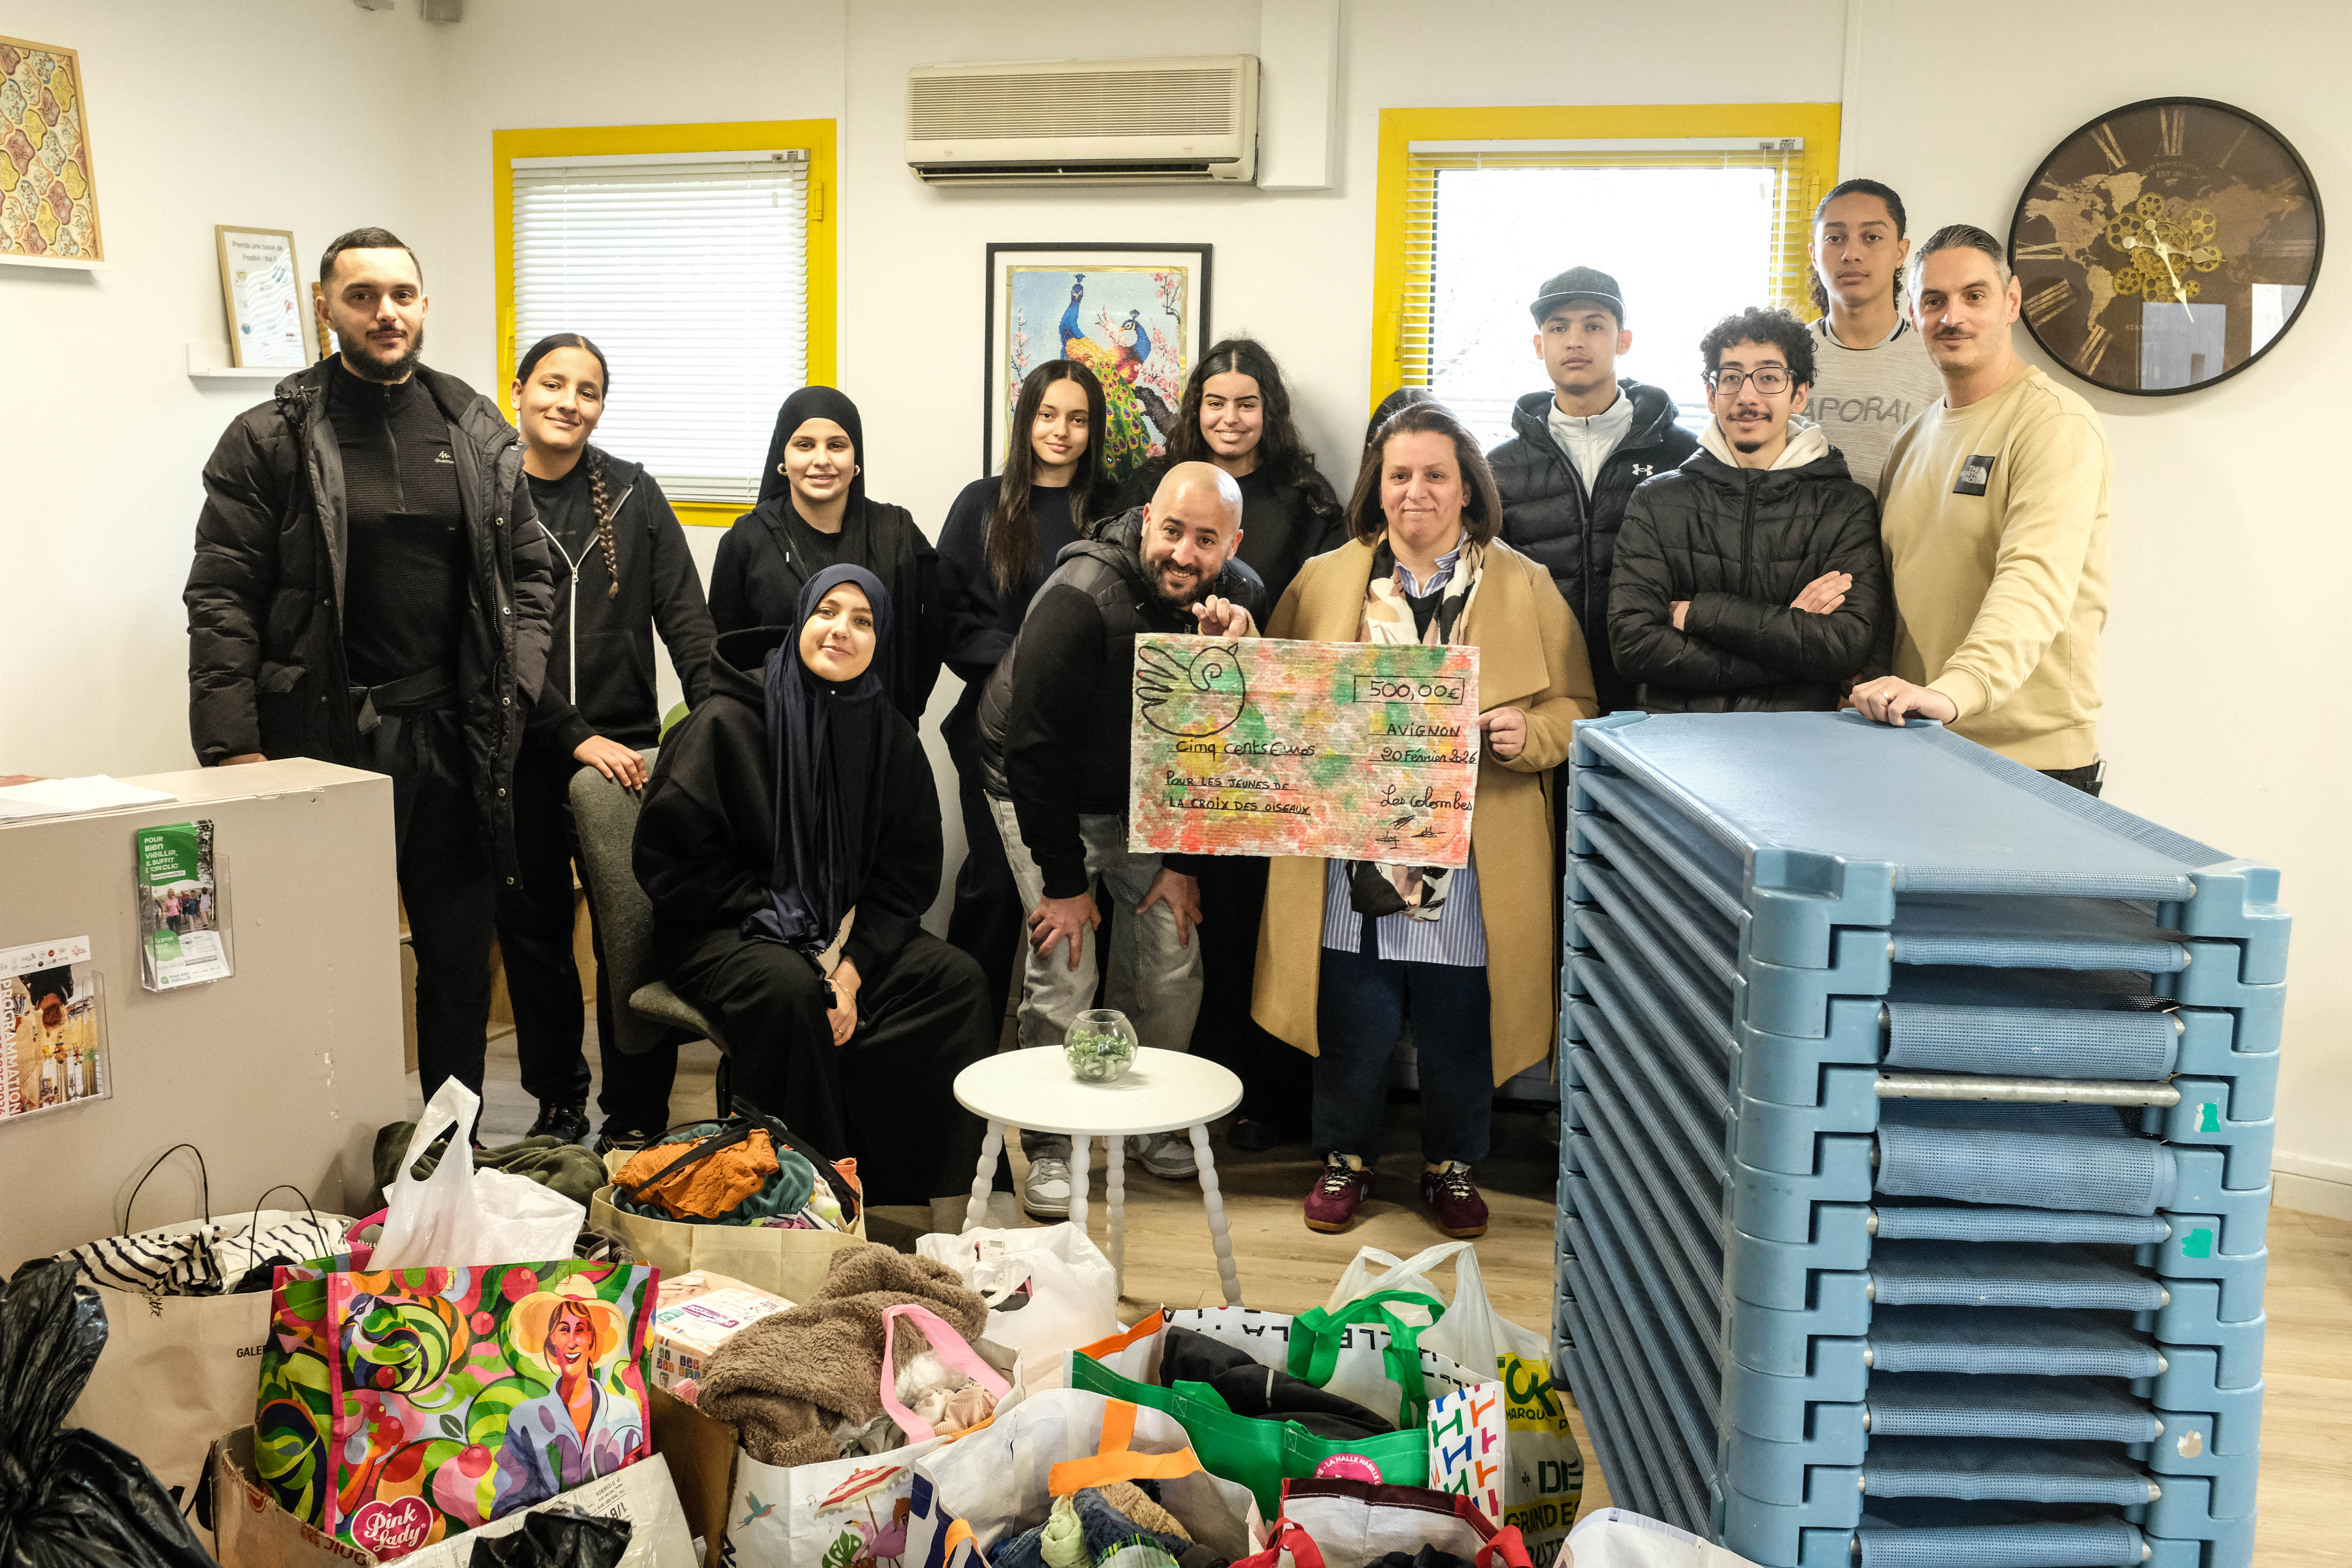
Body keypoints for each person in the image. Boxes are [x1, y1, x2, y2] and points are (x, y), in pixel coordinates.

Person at [185, 227, 553, 1103]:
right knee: (322, 965)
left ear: (424, 305)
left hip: (455, 745)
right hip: (322, 739)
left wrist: (514, 688)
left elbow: (531, 574)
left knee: (458, 964)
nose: (385, 313)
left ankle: (447, 1153)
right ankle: (330, 1148)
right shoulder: (270, 438)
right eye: (362, 296)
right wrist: (233, 749)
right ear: (325, 308)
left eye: (401, 295)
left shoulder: (475, 429)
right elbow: (223, 598)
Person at [1255, 402, 1598, 1239]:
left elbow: (1579, 707)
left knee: (1459, 1021)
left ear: (1468, 489)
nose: (1417, 491)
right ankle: (1346, 1157)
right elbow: (1271, 702)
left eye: (1436, 475)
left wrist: (1529, 733)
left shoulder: (1525, 583)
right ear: (1377, 487)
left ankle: (1453, 1164)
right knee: (1356, 1015)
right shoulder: (1324, 579)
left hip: (1475, 849)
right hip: (1351, 846)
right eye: (1400, 475)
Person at [633, 566, 994, 1207]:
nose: (841, 630)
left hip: (839, 931)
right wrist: (794, 937)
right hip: (724, 928)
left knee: (955, 981)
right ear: (802, 619)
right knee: (790, 989)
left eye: (863, 620)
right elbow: (671, 863)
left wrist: (849, 975)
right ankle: (805, 1196)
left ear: (880, 640)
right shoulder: (725, 720)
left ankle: (921, 1194)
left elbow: (903, 877)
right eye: (828, 612)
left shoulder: (890, 737)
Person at [979, 463, 1262, 1218]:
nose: (1184, 554)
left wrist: (1181, 863)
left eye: (1206, 541)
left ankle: (1151, 1121)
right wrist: (1066, 886)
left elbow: (1222, 749)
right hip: (1039, 787)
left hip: (1142, 795)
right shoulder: (1081, 598)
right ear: (1146, 519)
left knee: (1173, 950)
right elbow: (1033, 750)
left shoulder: (1233, 601)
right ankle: (1049, 1143)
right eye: (1172, 532)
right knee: (1067, 964)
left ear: (1233, 544)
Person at [1118, 339, 1346, 1150]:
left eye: (1247, 403)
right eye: (1215, 402)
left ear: (1269, 411)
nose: (1230, 417)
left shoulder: (1309, 501)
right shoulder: (1153, 486)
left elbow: (1319, 616)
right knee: (1186, 919)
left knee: (1260, 921)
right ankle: (1184, 1094)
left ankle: (1266, 1099)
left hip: (1268, 743)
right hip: (1171, 742)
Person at [495, 333, 718, 1151]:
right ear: (518, 390)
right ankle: (558, 1103)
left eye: (587, 391)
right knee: (536, 937)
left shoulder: (632, 494)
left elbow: (688, 622)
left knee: (632, 940)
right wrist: (572, 735)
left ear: (601, 406)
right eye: (553, 384)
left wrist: (718, 723)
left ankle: (636, 1114)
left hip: (625, 760)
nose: (569, 402)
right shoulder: (488, 493)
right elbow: (493, 642)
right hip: (521, 753)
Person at [1851, 225, 2113, 793]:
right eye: (1934, 301)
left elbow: (2034, 580)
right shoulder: (1910, 440)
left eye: (1974, 296)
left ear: (2011, 301)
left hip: (2031, 764)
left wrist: (1955, 692)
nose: (1953, 317)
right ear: (1915, 315)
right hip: (1923, 740)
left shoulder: (2054, 424)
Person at [936, 361, 1118, 1029]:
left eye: (1078, 419)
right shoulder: (980, 505)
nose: (1061, 431)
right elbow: (947, 621)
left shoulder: (1115, 508)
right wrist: (1030, 662)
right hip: (994, 735)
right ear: (1025, 421)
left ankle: (1090, 1043)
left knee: (1086, 901)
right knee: (991, 889)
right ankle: (966, 1044)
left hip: (1088, 745)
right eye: (1048, 415)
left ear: (1095, 429)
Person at [1608, 305, 1886, 712]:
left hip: (1795, 741)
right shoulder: (1656, 500)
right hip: (1676, 739)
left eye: (1769, 378)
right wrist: (1792, 644)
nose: (1747, 397)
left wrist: (1701, 614)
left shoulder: (1846, 507)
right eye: (1731, 378)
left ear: (1799, 394)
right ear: (1711, 395)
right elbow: (1634, 647)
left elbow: (1844, 648)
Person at [1488, 267, 1698, 715]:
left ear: (1624, 341)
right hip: (1546, 697)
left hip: (1656, 692)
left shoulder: (1684, 455)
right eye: (1558, 328)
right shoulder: (1500, 468)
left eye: (1594, 326)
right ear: (1539, 345)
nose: (1575, 341)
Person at [708, 388, 940, 724]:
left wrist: (902, 716)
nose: (821, 459)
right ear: (783, 458)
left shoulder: (897, 532)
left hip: (878, 728)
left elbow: (928, 639)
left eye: (836, 445)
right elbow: (728, 650)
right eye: (805, 445)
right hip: (774, 731)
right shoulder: (747, 539)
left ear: (856, 458)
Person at [1805, 179, 1946, 493]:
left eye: (1872, 237)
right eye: (1835, 238)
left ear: (1901, 252)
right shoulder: (1783, 358)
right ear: (1815, 253)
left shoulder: (1939, 360)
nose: (1851, 254)